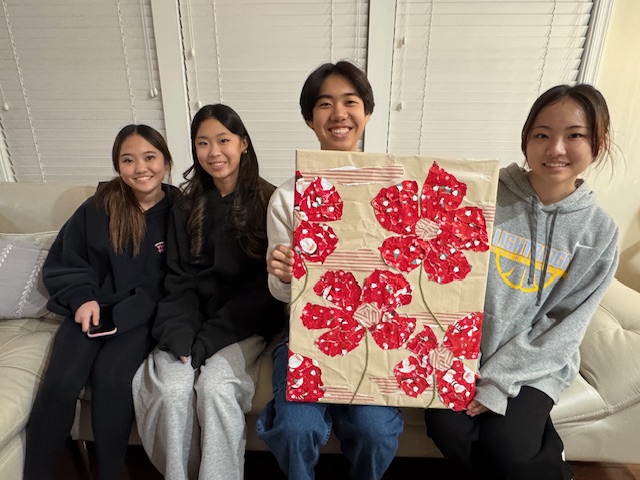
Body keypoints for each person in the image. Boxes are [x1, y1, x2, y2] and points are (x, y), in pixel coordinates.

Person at [424, 84, 620, 480]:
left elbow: (565, 326)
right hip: (463, 351)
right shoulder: (481, 195)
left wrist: (498, 382)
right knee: (447, 427)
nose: (556, 149)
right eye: (542, 135)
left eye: (574, 135)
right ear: (526, 139)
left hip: (537, 361)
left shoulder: (600, 232)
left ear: (597, 143)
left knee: (507, 448)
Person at [255, 60, 404, 480]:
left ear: (367, 113)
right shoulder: (289, 197)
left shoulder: (396, 188)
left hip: (376, 339)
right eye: (325, 104)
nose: (339, 113)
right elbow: (283, 295)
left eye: (350, 102)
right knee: (294, 427)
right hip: (307, 334)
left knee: (375, 430)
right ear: (310, 119)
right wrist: (285, 275)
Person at [132, 103, 286, 480]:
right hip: (192, 320)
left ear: (243, 143)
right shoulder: (185, 205)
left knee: (216, 386)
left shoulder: (270, 201)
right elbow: (179, 280)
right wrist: (182, 335)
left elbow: (263, 295)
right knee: (171, 389)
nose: (213, 152)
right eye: (203, 143)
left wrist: (208, 341)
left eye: (223, 140)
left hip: (243, 326)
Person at [23, 124, 177, 480]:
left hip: (140, 317)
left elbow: (181, 277)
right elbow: (67, 259)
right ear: (117, 165)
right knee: (61, 382)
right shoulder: (98, 206)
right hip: (91, 311)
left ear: (166, 162)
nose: (141, 168)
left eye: (150, 157)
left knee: (111, 379)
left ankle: (108, 472)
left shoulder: (180, 210)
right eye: (128, 160)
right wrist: (82, 299)